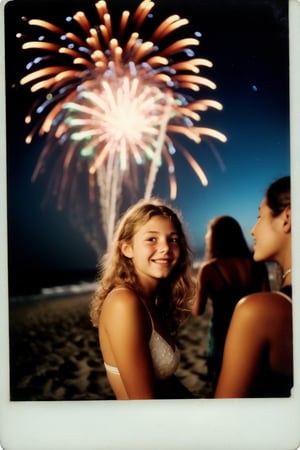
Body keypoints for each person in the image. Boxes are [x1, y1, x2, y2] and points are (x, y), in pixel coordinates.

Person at [90, 198, 195, 399]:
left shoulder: (151, 300)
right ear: (127, 249)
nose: (165, 247)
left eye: (172, 239)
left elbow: (167, 383)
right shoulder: (124, 303)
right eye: (151, 239)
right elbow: (143, 404)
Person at [215, 176, 293, 398]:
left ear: (288, 218)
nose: (252, 230)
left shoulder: (257, 310)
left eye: (260, 217)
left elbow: (224, 417)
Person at [192, 215, 270, 388]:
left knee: (221, 383)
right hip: (253, 333)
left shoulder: (209, 269)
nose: (206, 237)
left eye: (208, 234)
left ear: (216, 239)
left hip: (222, 335)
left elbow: (197, 310)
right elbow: (266, 300)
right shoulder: (257, 264)